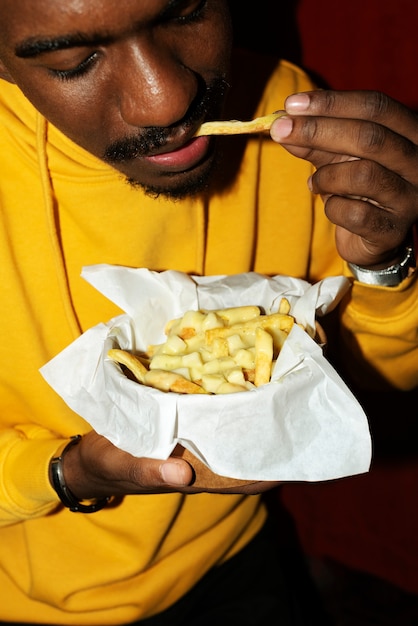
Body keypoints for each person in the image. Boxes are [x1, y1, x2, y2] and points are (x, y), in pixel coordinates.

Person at [0, 0, 416, 624]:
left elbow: (387, 374)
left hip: (239, 557)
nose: (164, 99)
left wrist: (388, 261)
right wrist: (64, 474)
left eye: (187, 12)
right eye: (74, 60)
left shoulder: (285, 105)